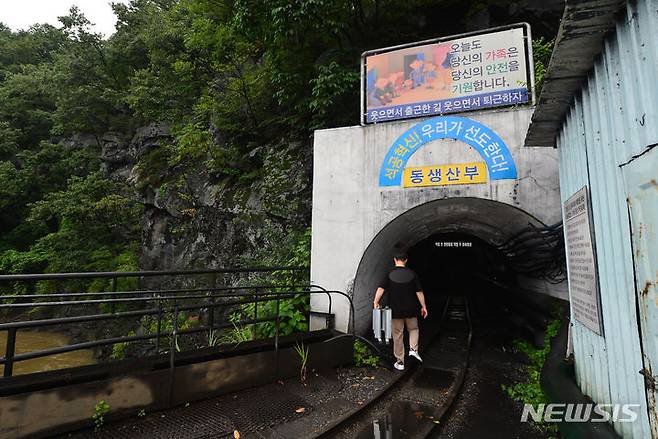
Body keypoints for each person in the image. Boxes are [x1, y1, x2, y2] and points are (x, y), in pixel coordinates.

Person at [373, 252, 428, 371]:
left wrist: (376, 301)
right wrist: (423, 306)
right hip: (411, 309)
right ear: (406, 260)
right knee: (413, 329)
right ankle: (413, 350)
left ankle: (400, 362)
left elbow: (381, 288)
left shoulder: (389, 273)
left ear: (394, 260)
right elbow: (419, 292)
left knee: (397, 335)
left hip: (395, 310)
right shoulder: (412, 273)